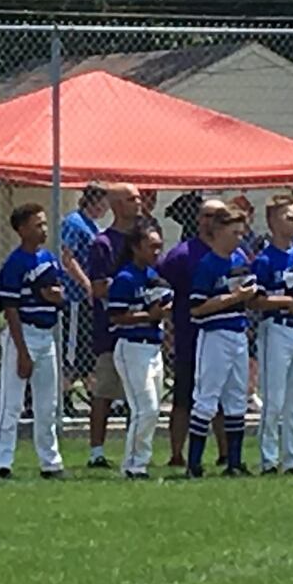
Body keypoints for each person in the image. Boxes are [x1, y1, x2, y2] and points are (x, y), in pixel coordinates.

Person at [0, 203, 66, 480]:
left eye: (44, 224)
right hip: (23, 333)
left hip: (47, 336)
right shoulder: (14, 263)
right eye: (37, 225)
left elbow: (59, 293)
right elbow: (10, 308)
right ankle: (2, 463)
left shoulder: (49, 258)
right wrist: (22, 351)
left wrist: (56, 297)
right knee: (12, 403)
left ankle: (50, 461)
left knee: (48, 405)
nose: (43, 229)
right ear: (22, 229)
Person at [187, 204, 257, 478]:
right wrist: (234, 298)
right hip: (214, 335)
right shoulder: (207, 264)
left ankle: (234, 462)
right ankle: (194, 463)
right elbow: (196, 307)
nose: (239, 238)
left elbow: (249, 290)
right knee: (207, 397)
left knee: (236, 398)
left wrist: (248, 295)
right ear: (217, 232)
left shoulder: (240, 259)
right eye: (233, 232)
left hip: (238, 333)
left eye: (241, 232)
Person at [251, 194, 293, 476]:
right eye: (288, 217)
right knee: (273, 399)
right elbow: (255, 300)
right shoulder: (264, 259)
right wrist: (287, 302)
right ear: (272, 222)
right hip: (275, 328)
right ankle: (268, 458)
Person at [158, 198, 224, 469]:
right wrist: (168, 322)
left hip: (221, 337)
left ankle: (226, 453)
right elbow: (160, 285)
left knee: (220, 397)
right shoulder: (181, 254)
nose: (210, 221)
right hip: (189, 335)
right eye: (206, 216)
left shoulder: (231, 253)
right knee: (183, 397)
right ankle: (177, 454)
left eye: (217, 216)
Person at [106, 218, 170, 479]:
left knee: (151, 410)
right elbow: (116, 317)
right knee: (147, 408)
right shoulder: (125, 277)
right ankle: (133, 465)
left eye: (159, 246)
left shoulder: (154, 277)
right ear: (135, 247)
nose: (156, 251)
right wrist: (149, 315)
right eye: (150, 246)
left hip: (153, 346)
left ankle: (139, 462)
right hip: (132, 347)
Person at [86, 183, 142, 469]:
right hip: (111, 329)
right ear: (117, 205)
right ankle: (96, 451)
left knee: (140, 393)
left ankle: (135, 449)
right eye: (131, 199)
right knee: (105, 391)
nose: (138, 203)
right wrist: (127, 286)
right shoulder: (103, 244)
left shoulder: (143, 240)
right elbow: (98, 288)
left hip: (142, 330)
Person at [58, 184, 107, 389]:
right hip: (75, 297)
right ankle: (62, 397)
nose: (105, 210)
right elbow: (67, 257)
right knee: (72, 352)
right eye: (103, 204)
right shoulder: (74, 223)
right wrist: (86, 284)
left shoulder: (93, 226)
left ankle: (92, 391)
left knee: (87, 353)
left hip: (89, 300)